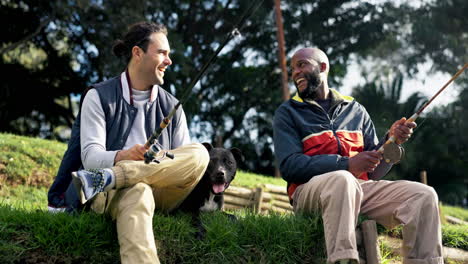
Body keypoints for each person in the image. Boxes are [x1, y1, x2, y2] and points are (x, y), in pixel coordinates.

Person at [47, 21, 209, 263]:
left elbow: (182, 167)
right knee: (138, 190)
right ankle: (115, 179)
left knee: (199, 154)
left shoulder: (174, 106)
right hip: (111, 193)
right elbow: (90, 157)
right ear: (137, 52)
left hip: (159, 190)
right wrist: (123, 155)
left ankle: (117, 175)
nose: (169, 61)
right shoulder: (98, 96)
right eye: (162, 53)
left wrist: (143, 165)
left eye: (169, 54)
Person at [273, 47, 443, 264]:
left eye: (301, 64)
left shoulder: (355, 110)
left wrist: (392, 142)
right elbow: (289, 166)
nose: (295, 72)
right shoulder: (287, 112)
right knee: (342, 179)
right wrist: (346, 164)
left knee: (424, 195)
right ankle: (344, 259)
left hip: (358, 191)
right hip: (309, 194)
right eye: (292, 69)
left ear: (323, 67)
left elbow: (373, 171)